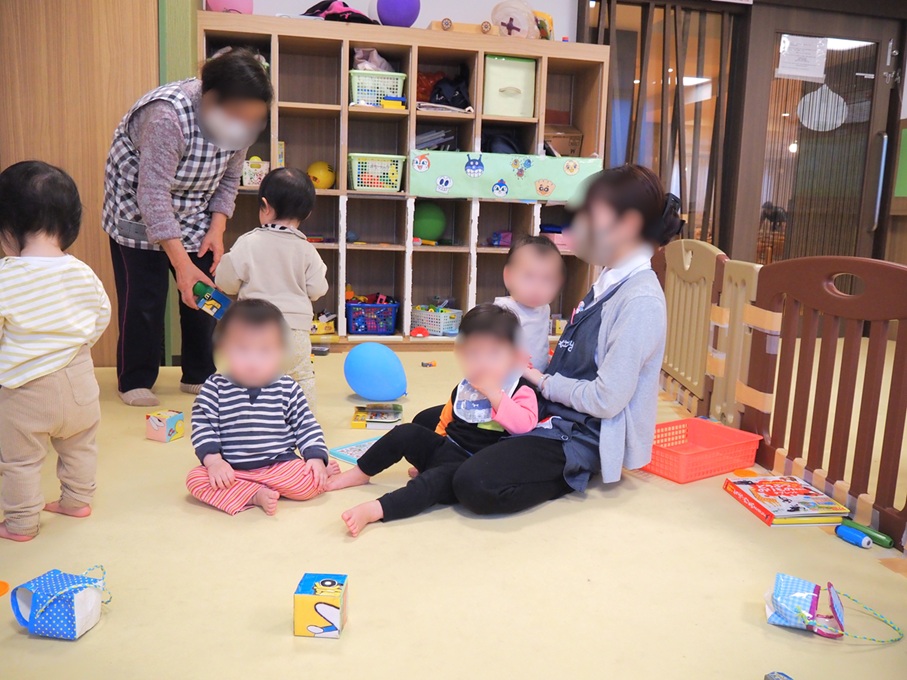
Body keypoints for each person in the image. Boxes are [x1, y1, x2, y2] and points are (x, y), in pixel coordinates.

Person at [452, 164, 683, 515]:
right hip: (551, 410)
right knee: (435, 419)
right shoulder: (608, 280)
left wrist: (540, 381)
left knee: (475, 483)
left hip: (582, 434)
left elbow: (607, 400)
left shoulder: (641, 301)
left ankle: (569, 473)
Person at [103, 47, 273, 407]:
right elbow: (152, 192)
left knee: (204, 292)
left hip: (194, 209)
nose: (244, 125)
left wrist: (217, 228)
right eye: (237, 116)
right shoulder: (167, 116)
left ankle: (198, 373)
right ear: (210, 100)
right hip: (137, 204)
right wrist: (181, 265)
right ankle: (134, 379)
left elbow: (230, 178)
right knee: (144, 299)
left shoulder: (244, 122)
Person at [327, 304, 538, 536]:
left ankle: (377, 509)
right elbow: (446, 420)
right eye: (473, 354)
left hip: (470, 466)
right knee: (405, 432)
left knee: (429, 484)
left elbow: (524, 425)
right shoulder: (467, 386)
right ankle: (361, 471)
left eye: (494, 354)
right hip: (448, 447)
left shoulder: (519, 389)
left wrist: (496, 396)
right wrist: (430, 456)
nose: (482, 363)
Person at [0, 161, 111, 542]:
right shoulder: (82, 272)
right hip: (81, 382)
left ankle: (21, 523)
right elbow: (101, 315)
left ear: (8, 226)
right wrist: (75, 347)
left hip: (25, 390)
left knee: (20, 461)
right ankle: (77, 501)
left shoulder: (7, 275)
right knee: (80, 447)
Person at [186, 299, 338, 516]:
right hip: (233, 469)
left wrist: (315, 458)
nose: (253, 361)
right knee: (195, 480)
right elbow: (203, 427)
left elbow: (306, 425)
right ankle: (253, 494)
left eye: (265, 351)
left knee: (311, 481)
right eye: (242, 350)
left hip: (279, 465)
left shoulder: (287, 387)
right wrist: (215, 462)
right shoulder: (214, 387)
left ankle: (250, 491)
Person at [215, 167, 328, 410]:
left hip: (254, 331)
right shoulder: (307, 250)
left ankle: (246, 420)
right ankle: (303, 422)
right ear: (307, 213)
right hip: (295, 334)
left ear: (265, 206)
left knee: (246, 380)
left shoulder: (248, 243)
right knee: (302, 378)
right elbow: (318, 288)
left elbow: (226, 282)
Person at [495, 235, 565, 371]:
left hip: (539, 375)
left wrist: (547, 357)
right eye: (528, 277)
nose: (537, 287)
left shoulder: (544, 308)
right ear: (510, 276)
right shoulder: (503, 309)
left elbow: (539, 342)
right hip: (511, 376)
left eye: (547, 279)